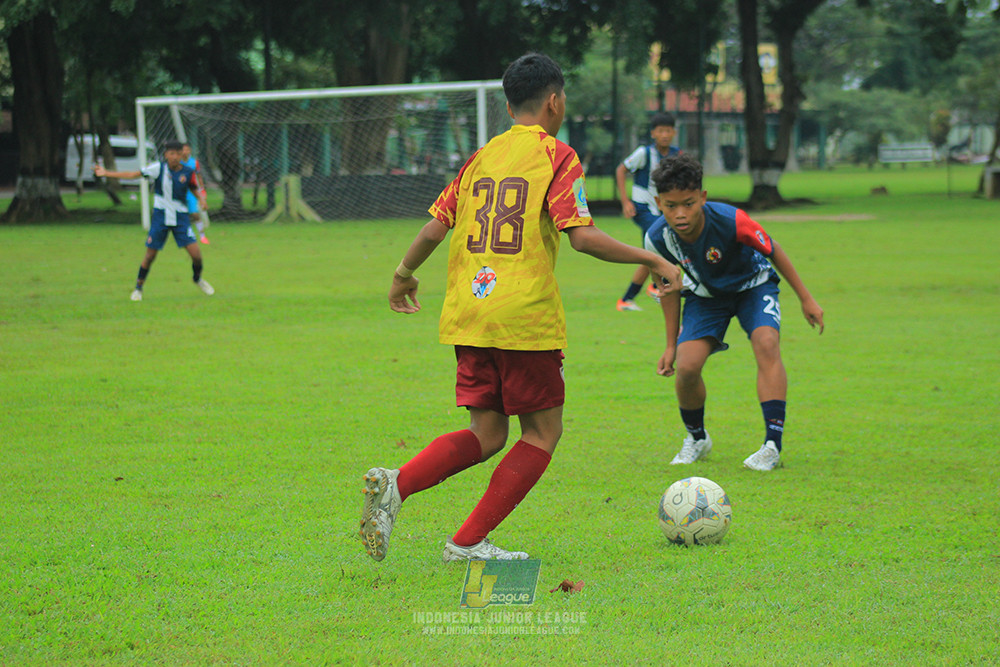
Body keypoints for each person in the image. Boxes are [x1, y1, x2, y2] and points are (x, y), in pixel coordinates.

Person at [359, 53, 682, 563]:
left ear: (509, 105)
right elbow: (582, 237)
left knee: (487, 432)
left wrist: (402, 275)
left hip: (471, 311)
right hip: (522, 316)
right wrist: (651, 256)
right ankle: (466, 543)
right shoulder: (557, 155)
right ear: (554, 101)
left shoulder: (480, 157)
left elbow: (434, 227)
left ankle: (398, 485)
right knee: (543, 431)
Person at [645, 154, 824, 471]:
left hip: (753, 287)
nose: (680, 214)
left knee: (767, 343)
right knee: (687, 367)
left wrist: (806, 299)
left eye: (688, 203)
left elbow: (774, 249)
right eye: (671, 206)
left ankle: (771, 445)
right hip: (706, 297)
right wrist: (670, 344)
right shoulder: (656, 239)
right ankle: (697, 438)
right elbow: (668, 291)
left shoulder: (733, 221)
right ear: (659, 202)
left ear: (703, 197)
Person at [95, 140, 214, 302]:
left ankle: (197, 279)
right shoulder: (158, 168)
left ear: (182, 155)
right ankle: (138, 288)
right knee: (150, 255)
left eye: (178, 154)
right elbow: (133, 175)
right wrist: (106, 173)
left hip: (180, 218)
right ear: (166, 155)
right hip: (161, 217)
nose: (174, 157)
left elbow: (192, 186)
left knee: (196, 255)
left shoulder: (187, 171)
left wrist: (201, 199)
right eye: (171, 154)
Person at [615, 112, 680, 312]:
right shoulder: (644, 153)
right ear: (653, 133)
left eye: (668, 130)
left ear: (674, 132)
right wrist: (625, 201)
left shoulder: (677, 155)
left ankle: (627, 299)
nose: (665, 135)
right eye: (661, 131)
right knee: (664, 241)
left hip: (660, 211)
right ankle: (655, 286)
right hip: (642, 208)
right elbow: (621, 170)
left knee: (650, 253)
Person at [181, 142, 210, 244]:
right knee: (181, 215)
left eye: (187, 150)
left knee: (195, 214)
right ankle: (187, 236)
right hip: (179, 192)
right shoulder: (177, 163)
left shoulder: (194, 163)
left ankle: (202, 236)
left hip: (191, 191)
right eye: (183, 150)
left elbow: (199, 176)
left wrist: (202, 190)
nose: (185, 152)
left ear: (190, 151)